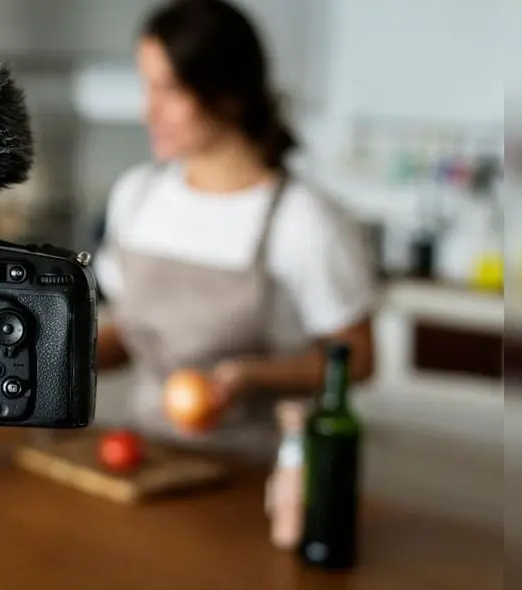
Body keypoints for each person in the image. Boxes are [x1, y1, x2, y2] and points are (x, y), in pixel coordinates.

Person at [95, 0, 376, 457]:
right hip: (145, 455)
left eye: (169, 90)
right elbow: (128, 332)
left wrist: (252, 375)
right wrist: (55, 356)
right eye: (146, 87)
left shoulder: (304, 221)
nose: (149, 110)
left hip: (255, 473)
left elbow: (358, 359)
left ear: (226, 93)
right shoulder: (137, 195)